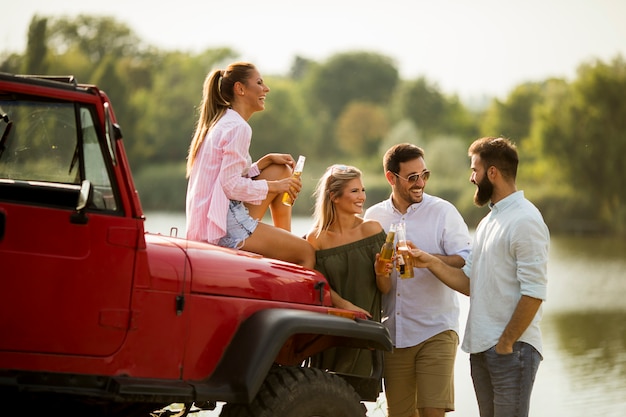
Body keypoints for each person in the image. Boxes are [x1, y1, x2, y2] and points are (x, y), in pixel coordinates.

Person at [410, 136, 550, 417]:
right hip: (483, 348)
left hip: (512, 350)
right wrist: (429, 262)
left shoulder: (525, 220)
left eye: (475, 170)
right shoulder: (489, 222)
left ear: (493, 173)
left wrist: (506, 342)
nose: (471, 177)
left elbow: (534, 291)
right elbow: (470, 283)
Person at [363, 143, 472, 417]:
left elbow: (464, 259)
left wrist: (428, 259)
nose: (420, 183)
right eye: (412, 177)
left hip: (436, 329)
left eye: (425, 175)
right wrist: (380, 270)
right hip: (395, 335)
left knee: (432, 412)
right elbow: (376, 280)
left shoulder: (443, 211)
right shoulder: (374, 217)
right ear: (391, 178)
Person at [185, 62, 315, 269]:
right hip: (223, 226)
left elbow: (224, 178)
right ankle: (288, 286)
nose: (266, 89)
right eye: (259, 82)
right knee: (306, 252)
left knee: (279, 169)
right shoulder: (238, 128)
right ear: (240, 88)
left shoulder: (222, 122)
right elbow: (230, 186)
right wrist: (278, 187)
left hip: (214, 220)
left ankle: (284, 238)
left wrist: (263, 163)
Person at [305, 164, 391, 376]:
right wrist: (344, 306)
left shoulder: (372, 229)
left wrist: (381, 272)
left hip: (364, 329)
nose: (361, 196)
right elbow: (316, 284)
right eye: (354, 191)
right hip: (329, 331)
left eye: (362, 190)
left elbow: (386, 288)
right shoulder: (316, 239)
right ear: (334, 196)